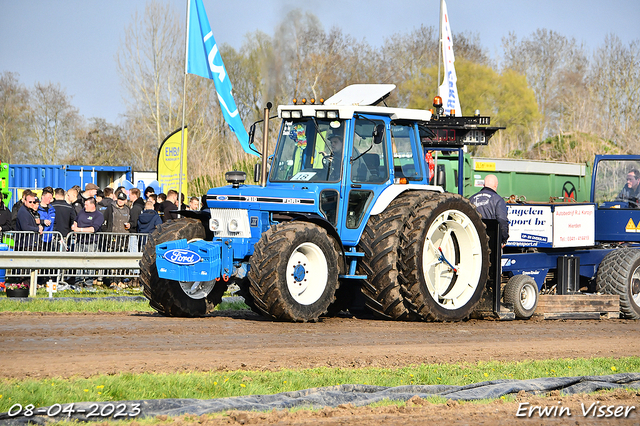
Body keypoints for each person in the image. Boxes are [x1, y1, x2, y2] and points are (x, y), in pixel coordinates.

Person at [469, 174, 509, 245]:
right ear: (496, 185)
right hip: (492, 240)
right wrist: (504, 238)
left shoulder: (471, 199)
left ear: (484, 185)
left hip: (474, 239)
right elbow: (502, 220)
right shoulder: (498, 200)